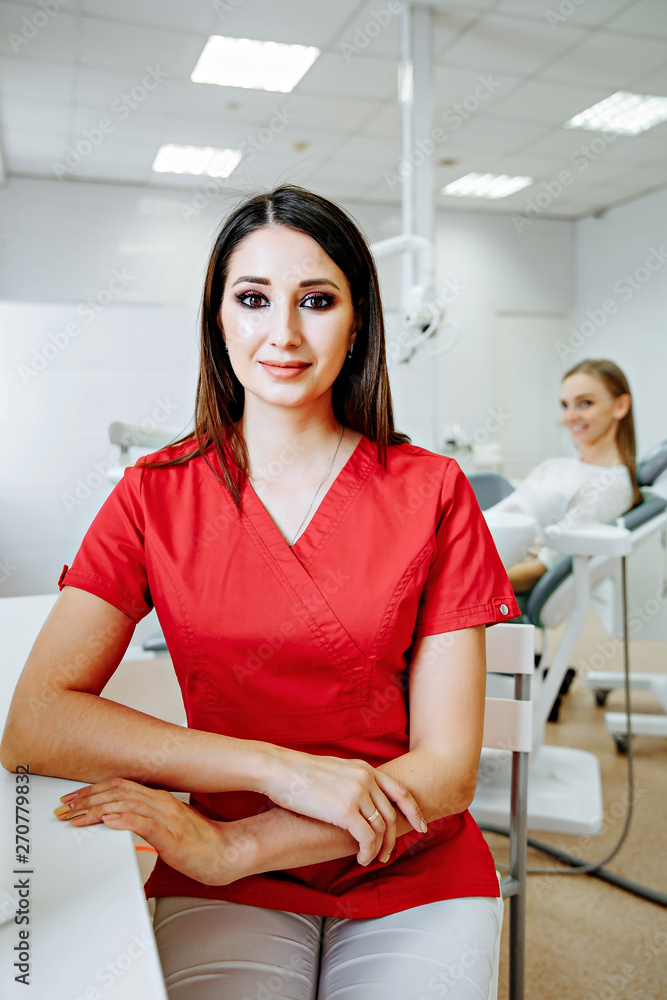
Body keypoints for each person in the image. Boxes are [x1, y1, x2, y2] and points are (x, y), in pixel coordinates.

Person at [1, 186, 519, 1000]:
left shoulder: (435, 491)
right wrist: (275, 773)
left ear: (357, 325)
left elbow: (448, 770)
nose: (281, 333)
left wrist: (242, 846)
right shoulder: (153, 494)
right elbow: (35, 723)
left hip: (407, 857)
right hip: (221, 856)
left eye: (316, 300)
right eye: (252, 299)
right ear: (218, 319)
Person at [486, 359, 639, 595]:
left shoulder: (609, 486)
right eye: (565, 405)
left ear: (620, 406)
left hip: (480, 564)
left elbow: (541, 568)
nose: (569, 416)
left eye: (584, 403)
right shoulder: (559, 465)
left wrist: (465, 586)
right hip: (471, 537)